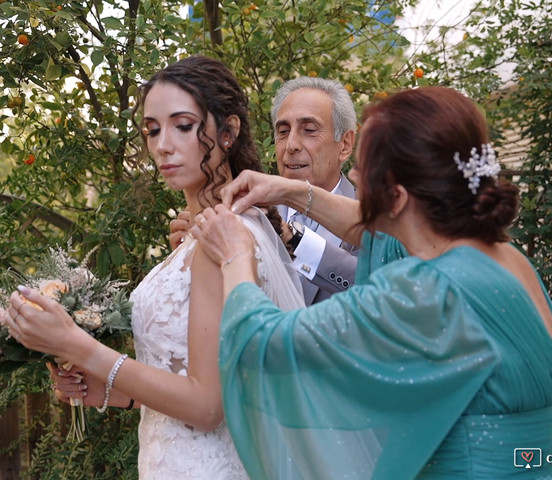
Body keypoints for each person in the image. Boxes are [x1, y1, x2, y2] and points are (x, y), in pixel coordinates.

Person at [191, 86, 552, 479]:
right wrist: (289, 190)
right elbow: (379, 230)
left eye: (363, 169)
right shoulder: (502, 257)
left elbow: (266, 344)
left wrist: (235, 256)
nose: (356, 178)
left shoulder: (428, 288)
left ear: (396, 198)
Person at [5, 55, 304, 479]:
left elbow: (207, 408)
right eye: (152, 129)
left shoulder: (219, 240)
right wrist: (112, 391)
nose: (163, 144)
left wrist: (78, 345)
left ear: (228, 131)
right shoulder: (211, 232)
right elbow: (215, 388)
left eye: (183, 126)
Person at [170, 76, 359, 305]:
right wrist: (190, 255)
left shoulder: (375, 216)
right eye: (283, 131)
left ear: (346, 144)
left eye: (309, 130)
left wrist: (295, 240)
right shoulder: (246, 211)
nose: (291, 145)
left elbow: (380, 291)